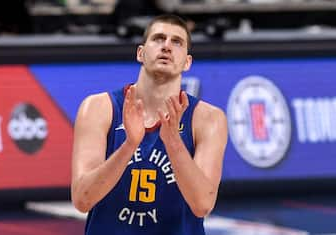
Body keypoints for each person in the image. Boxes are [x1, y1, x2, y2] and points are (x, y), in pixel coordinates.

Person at [71, 14, 228, 235]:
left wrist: (173, 141)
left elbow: (202, 204)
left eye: (177, 42)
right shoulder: (99, 108)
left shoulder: (208, 119)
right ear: (140, 53)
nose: (166, 46)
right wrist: (129, 145)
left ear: (187, 62)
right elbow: (82, 199)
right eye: (158, 38)